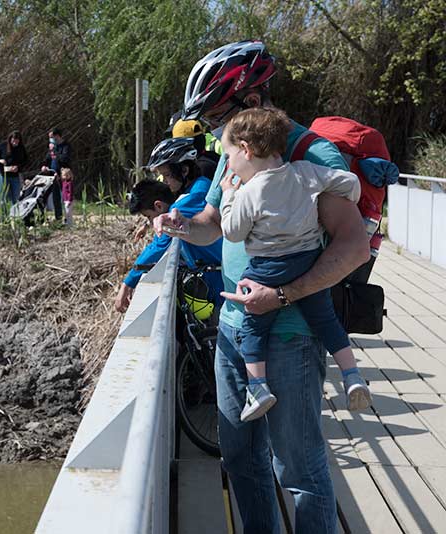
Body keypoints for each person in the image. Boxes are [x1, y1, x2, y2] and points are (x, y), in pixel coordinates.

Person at [155, 40, 370, 534]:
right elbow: (213, 221)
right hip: (232, 329)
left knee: (297, 470)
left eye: (215, 119)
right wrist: (179, 225)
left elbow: (354, 245)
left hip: (291, 334)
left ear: (250, 104)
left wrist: (285, 295)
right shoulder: (237, 155)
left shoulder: (311, 153)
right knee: (241, 461)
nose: (212, 134)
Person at [218, 107, 371, 422]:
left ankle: (258, 388)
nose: (229, 163)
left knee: (253, 325)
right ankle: (352, 375)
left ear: (246, 150)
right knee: (326, 321)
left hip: (267, 270)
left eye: (229, 155)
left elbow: (232, 231)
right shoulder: (304, 172)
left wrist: (228, 196)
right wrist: (349, 196)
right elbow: (348, 183)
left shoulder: (250, 191)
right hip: (306, 262)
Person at [115, 137, 223, 313]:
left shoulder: (191, 199)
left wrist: (127, 283)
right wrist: (148, 224)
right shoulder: (200, 185)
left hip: (218, 283)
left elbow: (160, 243)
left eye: (166, 175)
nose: (163, 181)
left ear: (184, 170)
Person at [0, 130, 28, 217]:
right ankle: (4, 219)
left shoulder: (21, 148)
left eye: (17, 141)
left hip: (15, 176)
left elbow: (25, 160)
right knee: (4, 198)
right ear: (10, 139)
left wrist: (18, 167)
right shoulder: (3, 146)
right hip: (2, 175)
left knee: (16, 197)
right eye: (14, 141)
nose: (15, 143)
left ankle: (16, 217)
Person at [40, 127, 72, 223]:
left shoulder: (65, 146)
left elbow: (64, 159)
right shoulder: (52, 147)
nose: (51, 139)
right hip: (53, 175)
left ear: (57, 136)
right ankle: (58, 218)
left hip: (63, 175)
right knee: (55, 197)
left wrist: (56, 151)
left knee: (66, 198)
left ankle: (68, 219)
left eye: (52, 137)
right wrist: (44, 165)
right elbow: (47, 158)